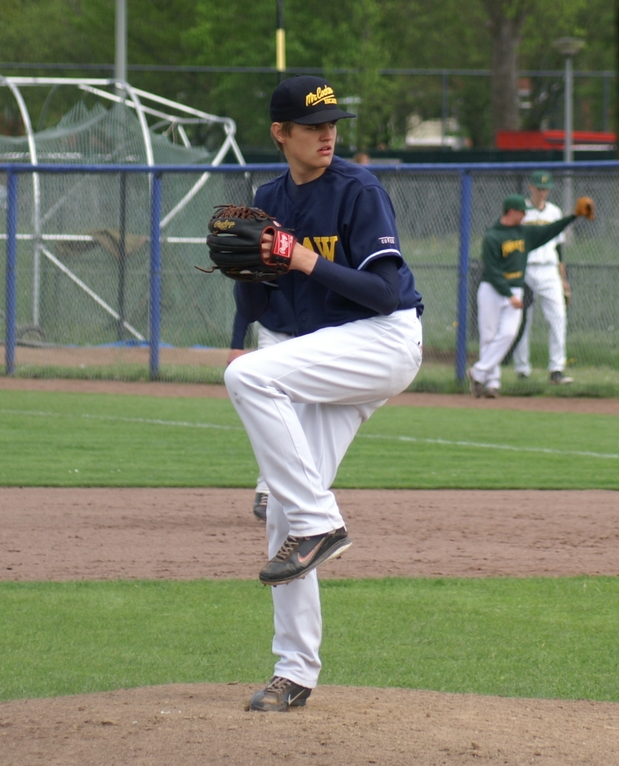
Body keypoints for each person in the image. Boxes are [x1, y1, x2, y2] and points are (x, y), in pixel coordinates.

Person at [224, 75, 424, 713]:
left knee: (249, 378)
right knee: (283, 518)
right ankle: (294, 674)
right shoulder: (269, 198)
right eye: (312, 126)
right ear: (281, 134)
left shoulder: (357, 190)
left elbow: (384, 294)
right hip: (324, 354)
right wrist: (246, 281)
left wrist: (302, 258)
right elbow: (260, 292)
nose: (326, 135)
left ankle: (321, 522)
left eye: (332, 123)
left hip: (382, 341)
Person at [468, 193, 587, 398]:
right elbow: (492, 270)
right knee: (489, 336)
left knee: (508, 334)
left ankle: (478, 372)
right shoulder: (492, 236)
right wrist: (508, 295)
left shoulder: (524, 233)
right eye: (523, 212)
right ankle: (491, 384)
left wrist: (574, 216)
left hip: (514, 290)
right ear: (512, 212)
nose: (525, 215)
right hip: (492, 290)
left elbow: (550, 230)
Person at [227, 295, 297, 521]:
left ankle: (303, 494)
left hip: (312, 336)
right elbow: (246, 295)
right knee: (272, 415)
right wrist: (237, 344)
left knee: (304, 416)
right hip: (273, 333)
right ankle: (266, 490)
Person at [512, 169, 574, 385]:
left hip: (549, 270)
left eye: (546, 189)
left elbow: (559, 249)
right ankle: (522, 370)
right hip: (526, 269)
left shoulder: (554, 212)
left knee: (558, 317)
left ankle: (556, 369)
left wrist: (563, 280)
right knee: (522, 320)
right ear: (531, 188)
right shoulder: (522, 211)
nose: (542, 193)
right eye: (539, 188)